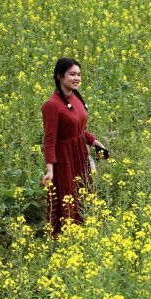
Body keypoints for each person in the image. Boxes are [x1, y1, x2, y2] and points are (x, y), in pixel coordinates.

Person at [41, 58, 105, 236]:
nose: (77, 78)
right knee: (68, 195)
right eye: (72, 74)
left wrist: (93, 141)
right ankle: (66, 237)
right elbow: (49, 140)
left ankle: (85, 232)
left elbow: (80, 129)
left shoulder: (76, 97)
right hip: (64, 158)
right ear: (60, 76)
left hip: (80, 152)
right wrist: (50, 170)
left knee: (84, 192)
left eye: (79, 74)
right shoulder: (52, 105)